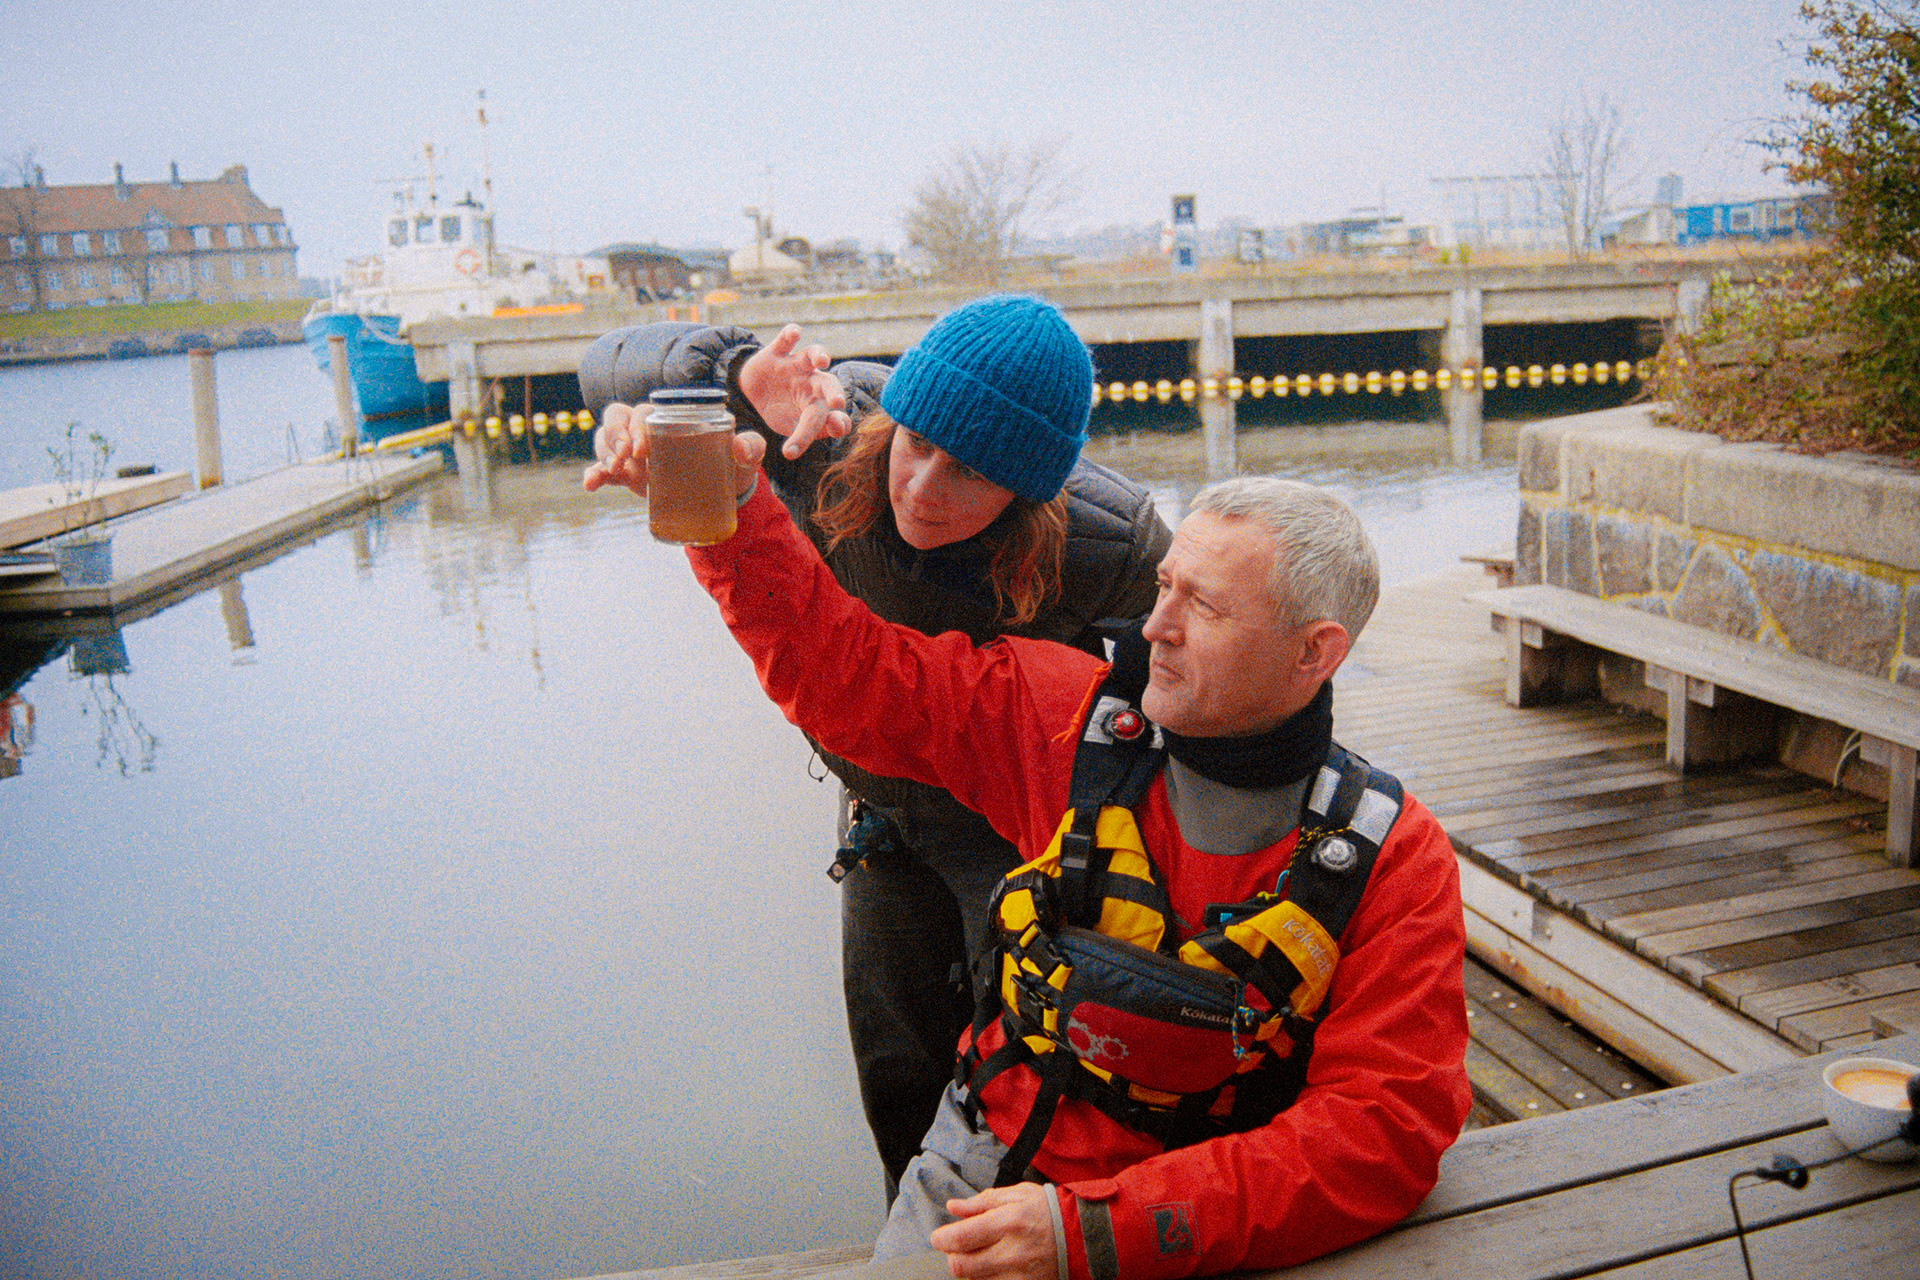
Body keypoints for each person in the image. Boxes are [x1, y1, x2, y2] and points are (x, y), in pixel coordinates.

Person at [585, 417, 1473, 1277]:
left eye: (1201, 607)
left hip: (1201, 1222)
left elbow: (1383, 1131)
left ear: (1315, 654)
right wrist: (736, 511)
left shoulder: (1390, 859)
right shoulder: (1063, 719)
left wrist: (1097, 1232)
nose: (1154, 627)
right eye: (1164, 587)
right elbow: (847, 673)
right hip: (980, 1175)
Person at [579, 296, 1172, 1202]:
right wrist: (731, 376)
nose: (925, 489)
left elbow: (1195, 693)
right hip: (881, 818)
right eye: (919, 445)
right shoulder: (818, 426)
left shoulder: (1110, 543)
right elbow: (607, 365)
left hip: (1012, 829)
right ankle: (914, 1238)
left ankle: (1025, 1233)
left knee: (1021, 1057)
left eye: (970, 473)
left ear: (1029, 489)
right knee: (896, 1064)